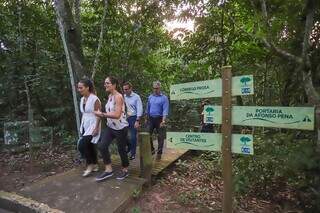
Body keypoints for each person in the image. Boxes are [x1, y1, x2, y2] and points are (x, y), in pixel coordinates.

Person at [94, 76, 129, 181]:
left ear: (114, 85)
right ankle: (108, 170)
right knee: (102, 146)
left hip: (120, 128)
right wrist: (97, 124)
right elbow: (108, 112)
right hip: (110, 127)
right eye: (105, 83)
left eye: (107, 83)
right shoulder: (109, 96)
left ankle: (125, 170)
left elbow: (117, 115)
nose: (105, 85)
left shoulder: (118, 97)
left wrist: (102, 114)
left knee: (121, 149)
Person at [77, 78, 101, 177]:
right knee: (90, 145)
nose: (79, 89)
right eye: (78, 88)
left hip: (93, 123)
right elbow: (84, 113)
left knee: (82, 144)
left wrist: (96, 128)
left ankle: (89, 165)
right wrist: (82, 126)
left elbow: (99, 115)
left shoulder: (95, 99)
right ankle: (95, 164)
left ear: (87, 88)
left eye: (81, 88)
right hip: (85, 124)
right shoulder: (82, 99)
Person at [146, 81, 169, 160]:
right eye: (154, 88)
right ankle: (152, 149)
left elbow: (165, 110)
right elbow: (148, 108)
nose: (155, 90)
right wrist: (146, 118)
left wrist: (163, 121)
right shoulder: (150, 97)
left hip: (160, 119)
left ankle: (159, 153)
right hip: (151, 119)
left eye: (157, 88)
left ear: (160, 88)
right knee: (147, 135)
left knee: (160, 136)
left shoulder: (164, 98)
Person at [123, 82, 143, 160]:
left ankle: (133, 153)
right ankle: (129, 147)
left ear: (131, 88)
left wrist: (137, 121)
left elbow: (139, 108)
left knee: (132, 136)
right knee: (122, 134)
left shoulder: (136, 97)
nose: (125, 91)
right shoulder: (123, 96)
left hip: (134, 117)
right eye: (124, 89)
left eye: (126, 89)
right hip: (125, 118)